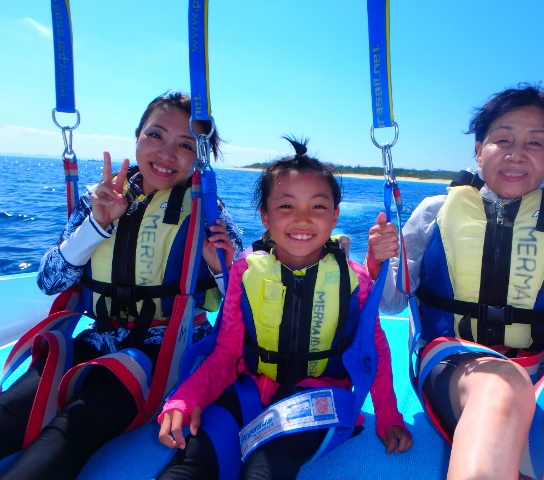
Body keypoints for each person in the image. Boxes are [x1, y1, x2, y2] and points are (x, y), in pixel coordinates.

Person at [367, 84, 544, 479]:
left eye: (535, 142)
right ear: (479, 150)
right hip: (454, 364)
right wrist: (378, 263)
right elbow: (391, 300)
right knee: (500, 385)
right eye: (503, 139)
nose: (517, 154)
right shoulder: (434, 212)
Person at [0, 91, 242, 479]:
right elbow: (49, 280)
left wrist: (220, 268)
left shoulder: (210, 214)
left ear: (200, 156)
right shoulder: (98, 199)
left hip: (166, 349)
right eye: (155, 135)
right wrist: (96, 226)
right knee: (11, 410)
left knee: (74, 426)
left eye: (185, 145)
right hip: (98, 337)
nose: (166, 153)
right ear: (137, 136)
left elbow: (245, 312)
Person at [157, 137, 413, 480]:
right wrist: (186, 397)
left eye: (318, 206)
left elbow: (374, 352)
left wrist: (389, 415)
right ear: (265, 216)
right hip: (249, 390)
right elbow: (226, 353)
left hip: (317, 397)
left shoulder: (355, 281)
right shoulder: (245, 273)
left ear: (335, 216)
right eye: (287, 206)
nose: (303, 219)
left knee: (264, 471)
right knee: (189, 466)